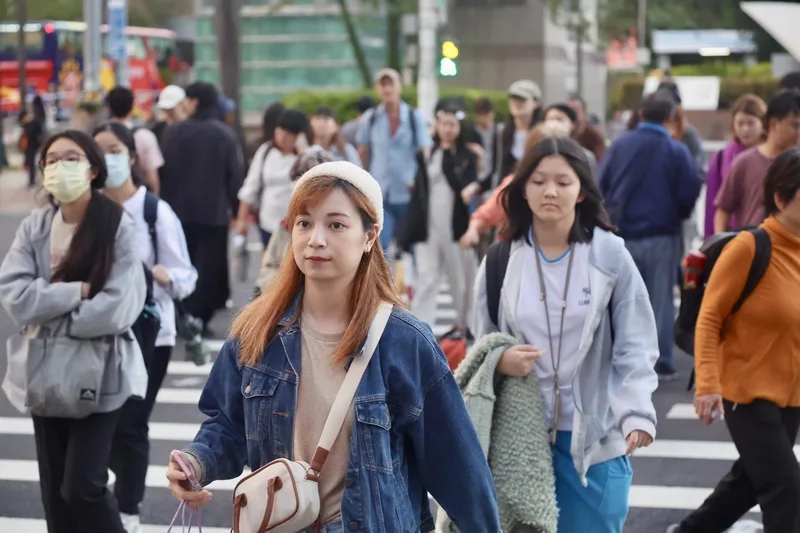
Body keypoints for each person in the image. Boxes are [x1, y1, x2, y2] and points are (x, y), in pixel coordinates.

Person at [165, 161, 501, 531]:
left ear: (370, 236)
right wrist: (196, 463)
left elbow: (457, 467)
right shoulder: (257, 329)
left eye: (336, 224)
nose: (316, 239)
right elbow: (228, 424)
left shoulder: (405, 342)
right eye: (304, 223)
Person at [471, 136, 659, 532]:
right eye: (538, 181)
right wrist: (500, 361)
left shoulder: (610, 255)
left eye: (563, 181)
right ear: (522, 189)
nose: (550, 191)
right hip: (520, 441)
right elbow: (481, 342)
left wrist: (637, 412)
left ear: (581, 192)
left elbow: (636, 342)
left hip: (595, 441)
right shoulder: (501, 261)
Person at [0, 130, 147, 533]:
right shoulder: (36, 226)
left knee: (83, 486)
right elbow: (13, 294)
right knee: (54, 496)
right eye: (52, 160)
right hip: (44, 370)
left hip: (101, 372)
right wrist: (76, 291)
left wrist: (49, 311)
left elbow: (119, 306)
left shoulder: (118, 224)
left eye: (71, 157)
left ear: (92, 168)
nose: (60, 167)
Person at [668, 148, 800, 533]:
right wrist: (707, 386)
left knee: (748, 483)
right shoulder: (749, 247)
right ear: (780, 198)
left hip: (789, 396)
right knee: (785, 486)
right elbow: (709, 318)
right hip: (746, 392)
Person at [93, 122, 197, 533]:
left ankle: (128, 510)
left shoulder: (154, 211)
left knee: (131, 422)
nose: (107, 158)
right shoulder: (88, 210)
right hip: (98, 333)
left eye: (114, 149)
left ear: (132, 157)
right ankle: (102, 499)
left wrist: (164, 278)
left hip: (151, 335)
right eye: (98, 151)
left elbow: (186, 275)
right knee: (101, 421)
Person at [598, 90, 702, 380]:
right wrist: (677, 214)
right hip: (662, 234)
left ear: (641, 114)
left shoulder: (619, 145)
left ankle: (623, 357)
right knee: (660, 301)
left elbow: (600, 183)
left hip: (622, 235)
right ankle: (661, 361)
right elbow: (690, 190)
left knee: (622, 300)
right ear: (670, 117)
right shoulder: (676, 150)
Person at [159, 81, 245, 336]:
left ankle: (182, 312)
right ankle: (201, 317)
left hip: (177, 212)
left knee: (181, 262)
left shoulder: (173, 132)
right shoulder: (224, 134)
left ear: (194, 102)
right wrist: (236, 209)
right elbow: (235, 177)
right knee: (208, 267)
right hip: (213, 213)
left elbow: (164, 173)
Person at [399, 106, 478, 330]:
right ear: (437, 126)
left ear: (460, 128)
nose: (448, 129)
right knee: (427, 277)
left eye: (453, 124)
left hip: (455, 226)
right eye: (444, 124)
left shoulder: (466, 156)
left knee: (459, 279)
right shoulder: (426, 153)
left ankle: (465, 325)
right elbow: (419, 193)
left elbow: (468, 185)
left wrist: (452, 166)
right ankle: (422, 328)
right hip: (428, 225)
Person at [704, 94, 766, 237]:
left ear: (763, 124)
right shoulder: (722, 157)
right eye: (740, 123)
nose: (745, 129)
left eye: (750, 123)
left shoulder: (774, 156)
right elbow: (712, 206)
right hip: (732, 235)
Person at [105, 87, 165, 194]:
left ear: (109, 107)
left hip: (110, 197)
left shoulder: (100, 137)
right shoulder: (145, 136)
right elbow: (152, 178)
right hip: (138, 195)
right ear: (132, 105)